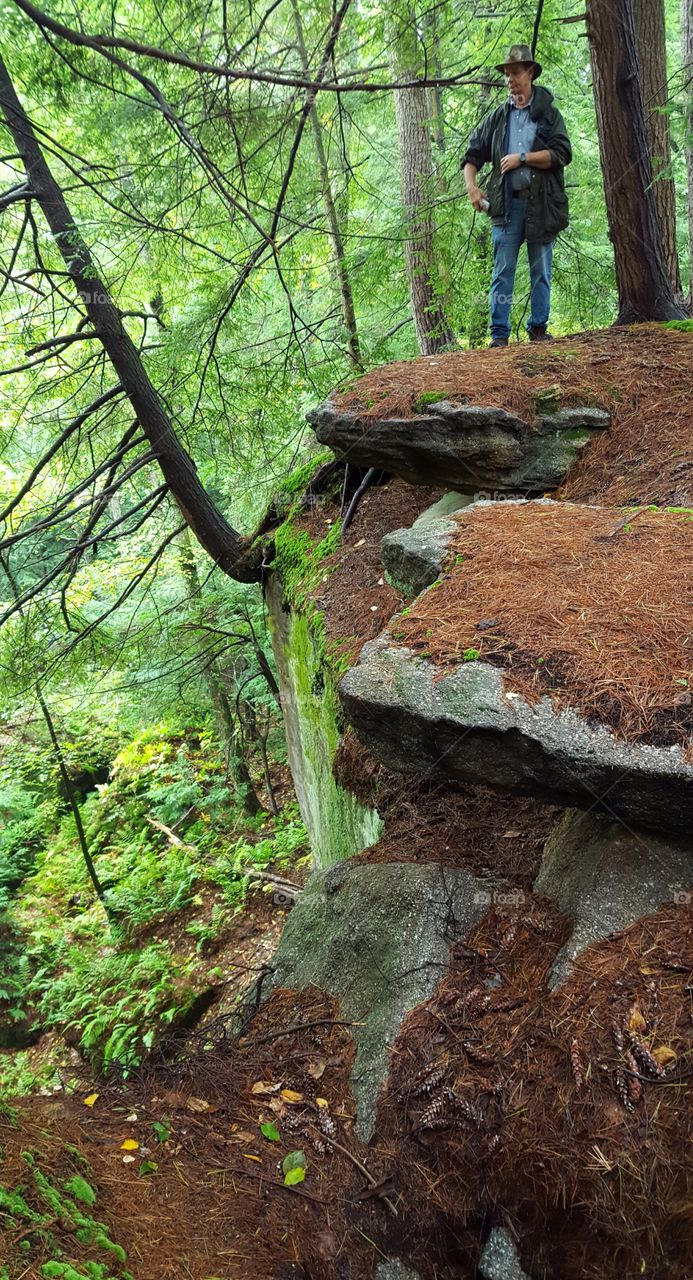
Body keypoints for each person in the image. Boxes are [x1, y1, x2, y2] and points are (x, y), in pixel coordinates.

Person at [461, 43, 572, 347]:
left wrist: (523, 158)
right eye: (507, 74)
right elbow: (472, 155)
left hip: (541, 204)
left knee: (540, 271)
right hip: (506, 206)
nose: (510, 79)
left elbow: (561, 153)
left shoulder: (548, 115)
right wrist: (471, 187)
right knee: (503, 272)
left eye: (516, 73)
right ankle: (499, 337)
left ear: (530, 73)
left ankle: (538, 330)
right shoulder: (498, 117)